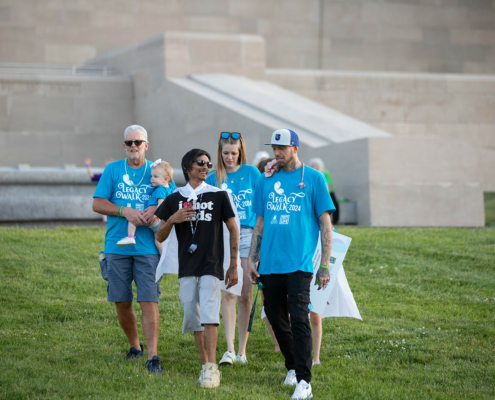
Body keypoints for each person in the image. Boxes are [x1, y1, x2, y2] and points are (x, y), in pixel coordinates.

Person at [248, 129, 335, 400]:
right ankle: (292, 366)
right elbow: (259, 223)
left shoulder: (314, 178)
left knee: (299, 318)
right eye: (274, 148)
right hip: (270, 263)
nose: (277, 153)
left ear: (295, 148)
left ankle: (304, 382)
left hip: (299, 264)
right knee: (274, 317)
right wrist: (252, 259)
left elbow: (325, 224)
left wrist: (324, 265)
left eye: (282, 148)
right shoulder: (266, 181)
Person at [155, 149, 239, 389]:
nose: (205, 167)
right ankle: (205, 365)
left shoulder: (218, 195)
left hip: (212, 264)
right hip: (187, 266)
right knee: (193, 316)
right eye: (200, 163)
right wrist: (173, 219)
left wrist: (233, 264)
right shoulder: (174, 198)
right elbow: (160, 235)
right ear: (187, 167)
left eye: (208, 163)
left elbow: (233, 228)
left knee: (210, 314)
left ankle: (211, 368)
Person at [92, 125, 163, 374]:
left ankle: (153, 356)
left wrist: (157, 210)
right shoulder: (113, 170)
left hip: (147, 248)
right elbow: (97, 203)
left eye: (138, 142)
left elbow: (172, 199)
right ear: (124, 146)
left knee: (148, 300)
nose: (133, 146)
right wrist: (124, 211)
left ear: (146, 144)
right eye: (129, 142)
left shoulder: (157, 169)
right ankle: (136, 347)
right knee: (121, 301)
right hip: (117, 246)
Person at [205, 132, 261, 365]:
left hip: (248, 234)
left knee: (245, 296)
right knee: (228, 292)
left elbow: (262, 206)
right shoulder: (212, 176)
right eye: (225, 153)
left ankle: (242, 351)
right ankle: (228, 349)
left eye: (234, 153)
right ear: (220, 152)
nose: (229, 157)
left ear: (241, 153)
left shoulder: (252, 173)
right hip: (223, 235)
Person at [117, 159, 176, 253]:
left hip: (154, 219)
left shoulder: (160, 189)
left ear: (166, 179)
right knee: (159, 242)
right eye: (152, 176)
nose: (151, 178)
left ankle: (130, 237)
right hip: (163, 222)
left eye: (155, 176)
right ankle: (164, 257)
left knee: (133, 218)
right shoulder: (171, 190)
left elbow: (161, 203)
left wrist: (157, 215)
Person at [309, 158, 339, 225]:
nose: (312, 166)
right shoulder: (312, 175)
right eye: (311, 165)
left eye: (314, 165)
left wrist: (324, 196)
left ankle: (334, 222)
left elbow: (328, 185)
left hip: (328, 193)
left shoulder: (325, 173)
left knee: (332, 206)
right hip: (316, 194)